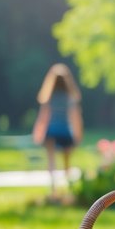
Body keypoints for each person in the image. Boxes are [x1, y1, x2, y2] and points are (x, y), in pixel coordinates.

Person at [32, 63, 84, 198]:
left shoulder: (49, 98)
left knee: (51, 160)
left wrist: (38, 132)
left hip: (52, 131)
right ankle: (68, 187)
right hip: (65, 131)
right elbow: (75, 117)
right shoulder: (69, 98)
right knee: (67, 161)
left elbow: (43, 117)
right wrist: (78, 134)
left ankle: (53, 187)